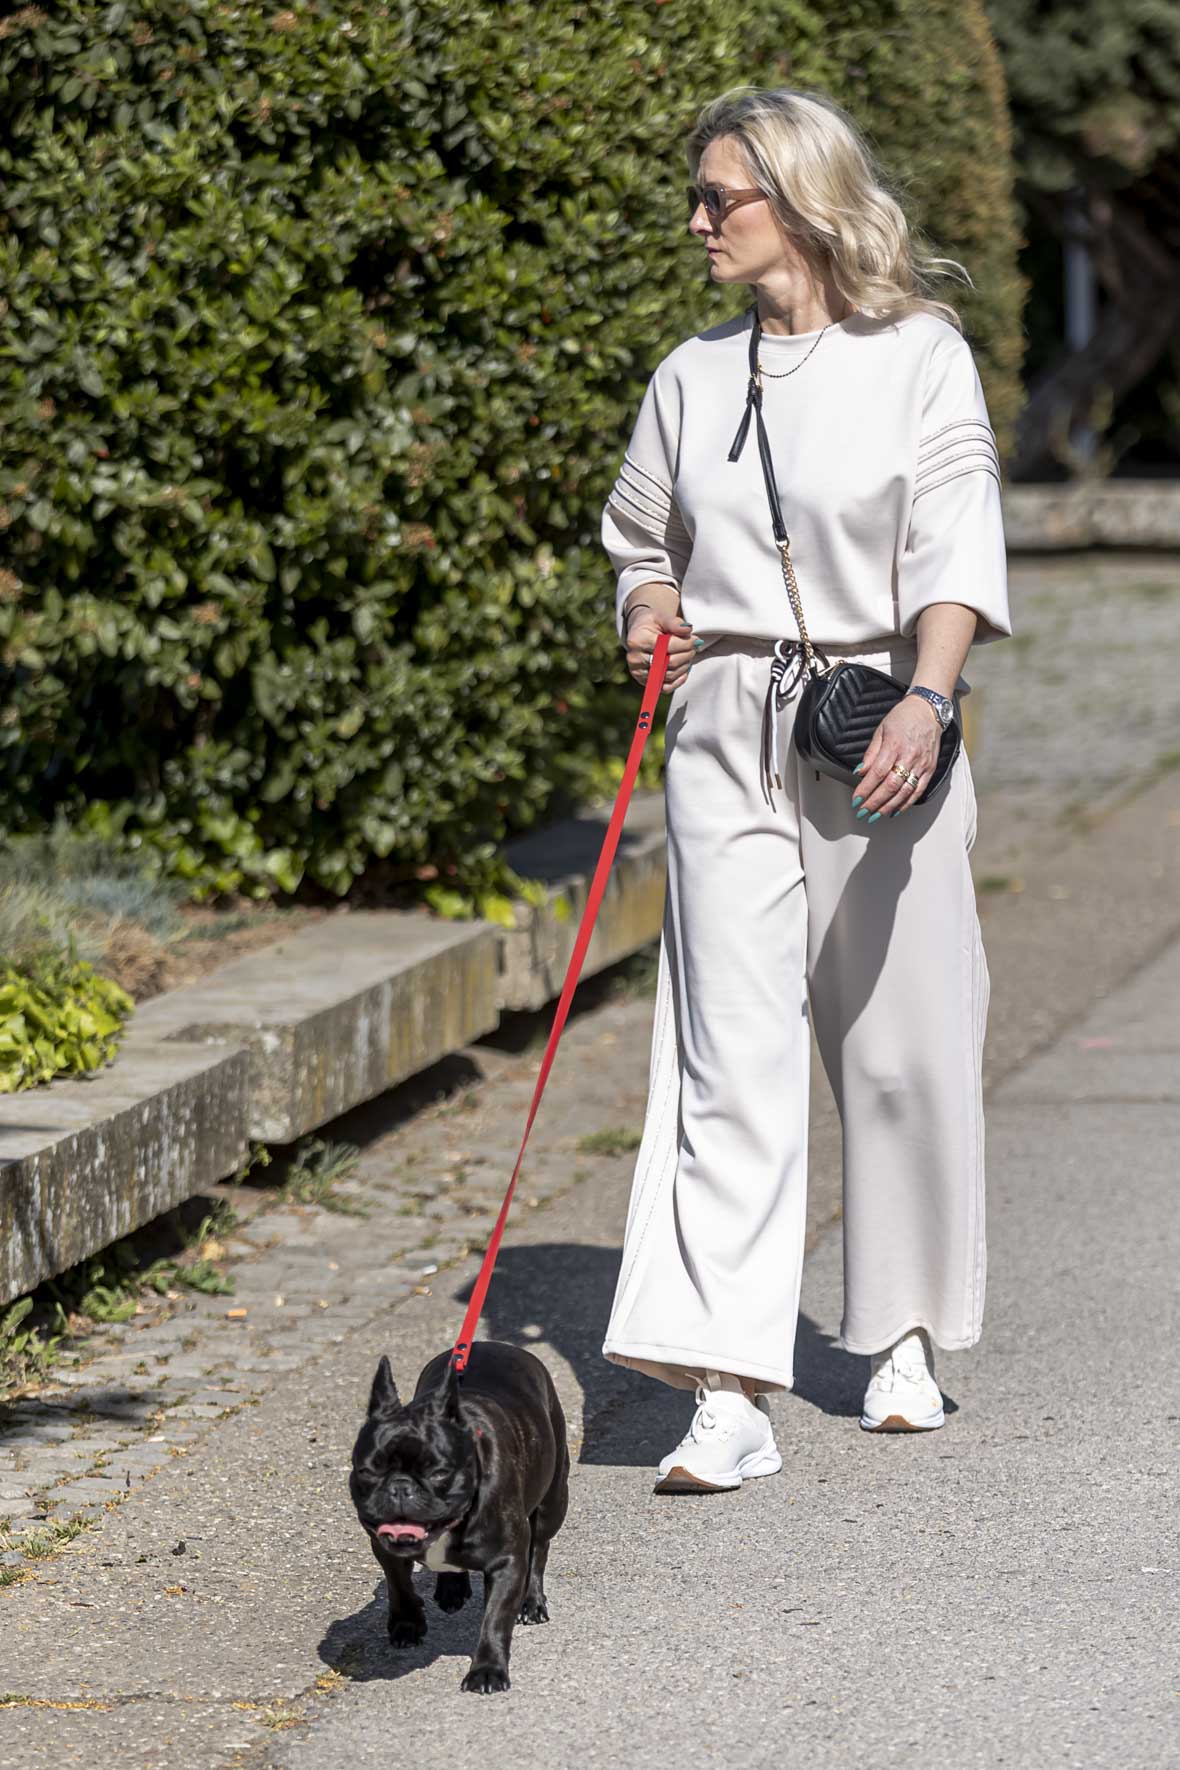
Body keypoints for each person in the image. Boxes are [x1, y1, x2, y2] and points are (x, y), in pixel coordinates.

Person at [600, 86, 1012, 1494]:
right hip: (725, 727)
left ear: (801, 199)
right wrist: (649, 609)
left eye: (720, 196)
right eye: (700, 197)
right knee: (727, 1054)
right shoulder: (689, 377)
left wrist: (929, 700)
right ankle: (727, 1386)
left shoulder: (919, 358)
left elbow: (956, 548)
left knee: (899, 1043)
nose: (698, 221)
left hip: (878, 719)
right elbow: (641, 544)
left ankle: (901, 1332)